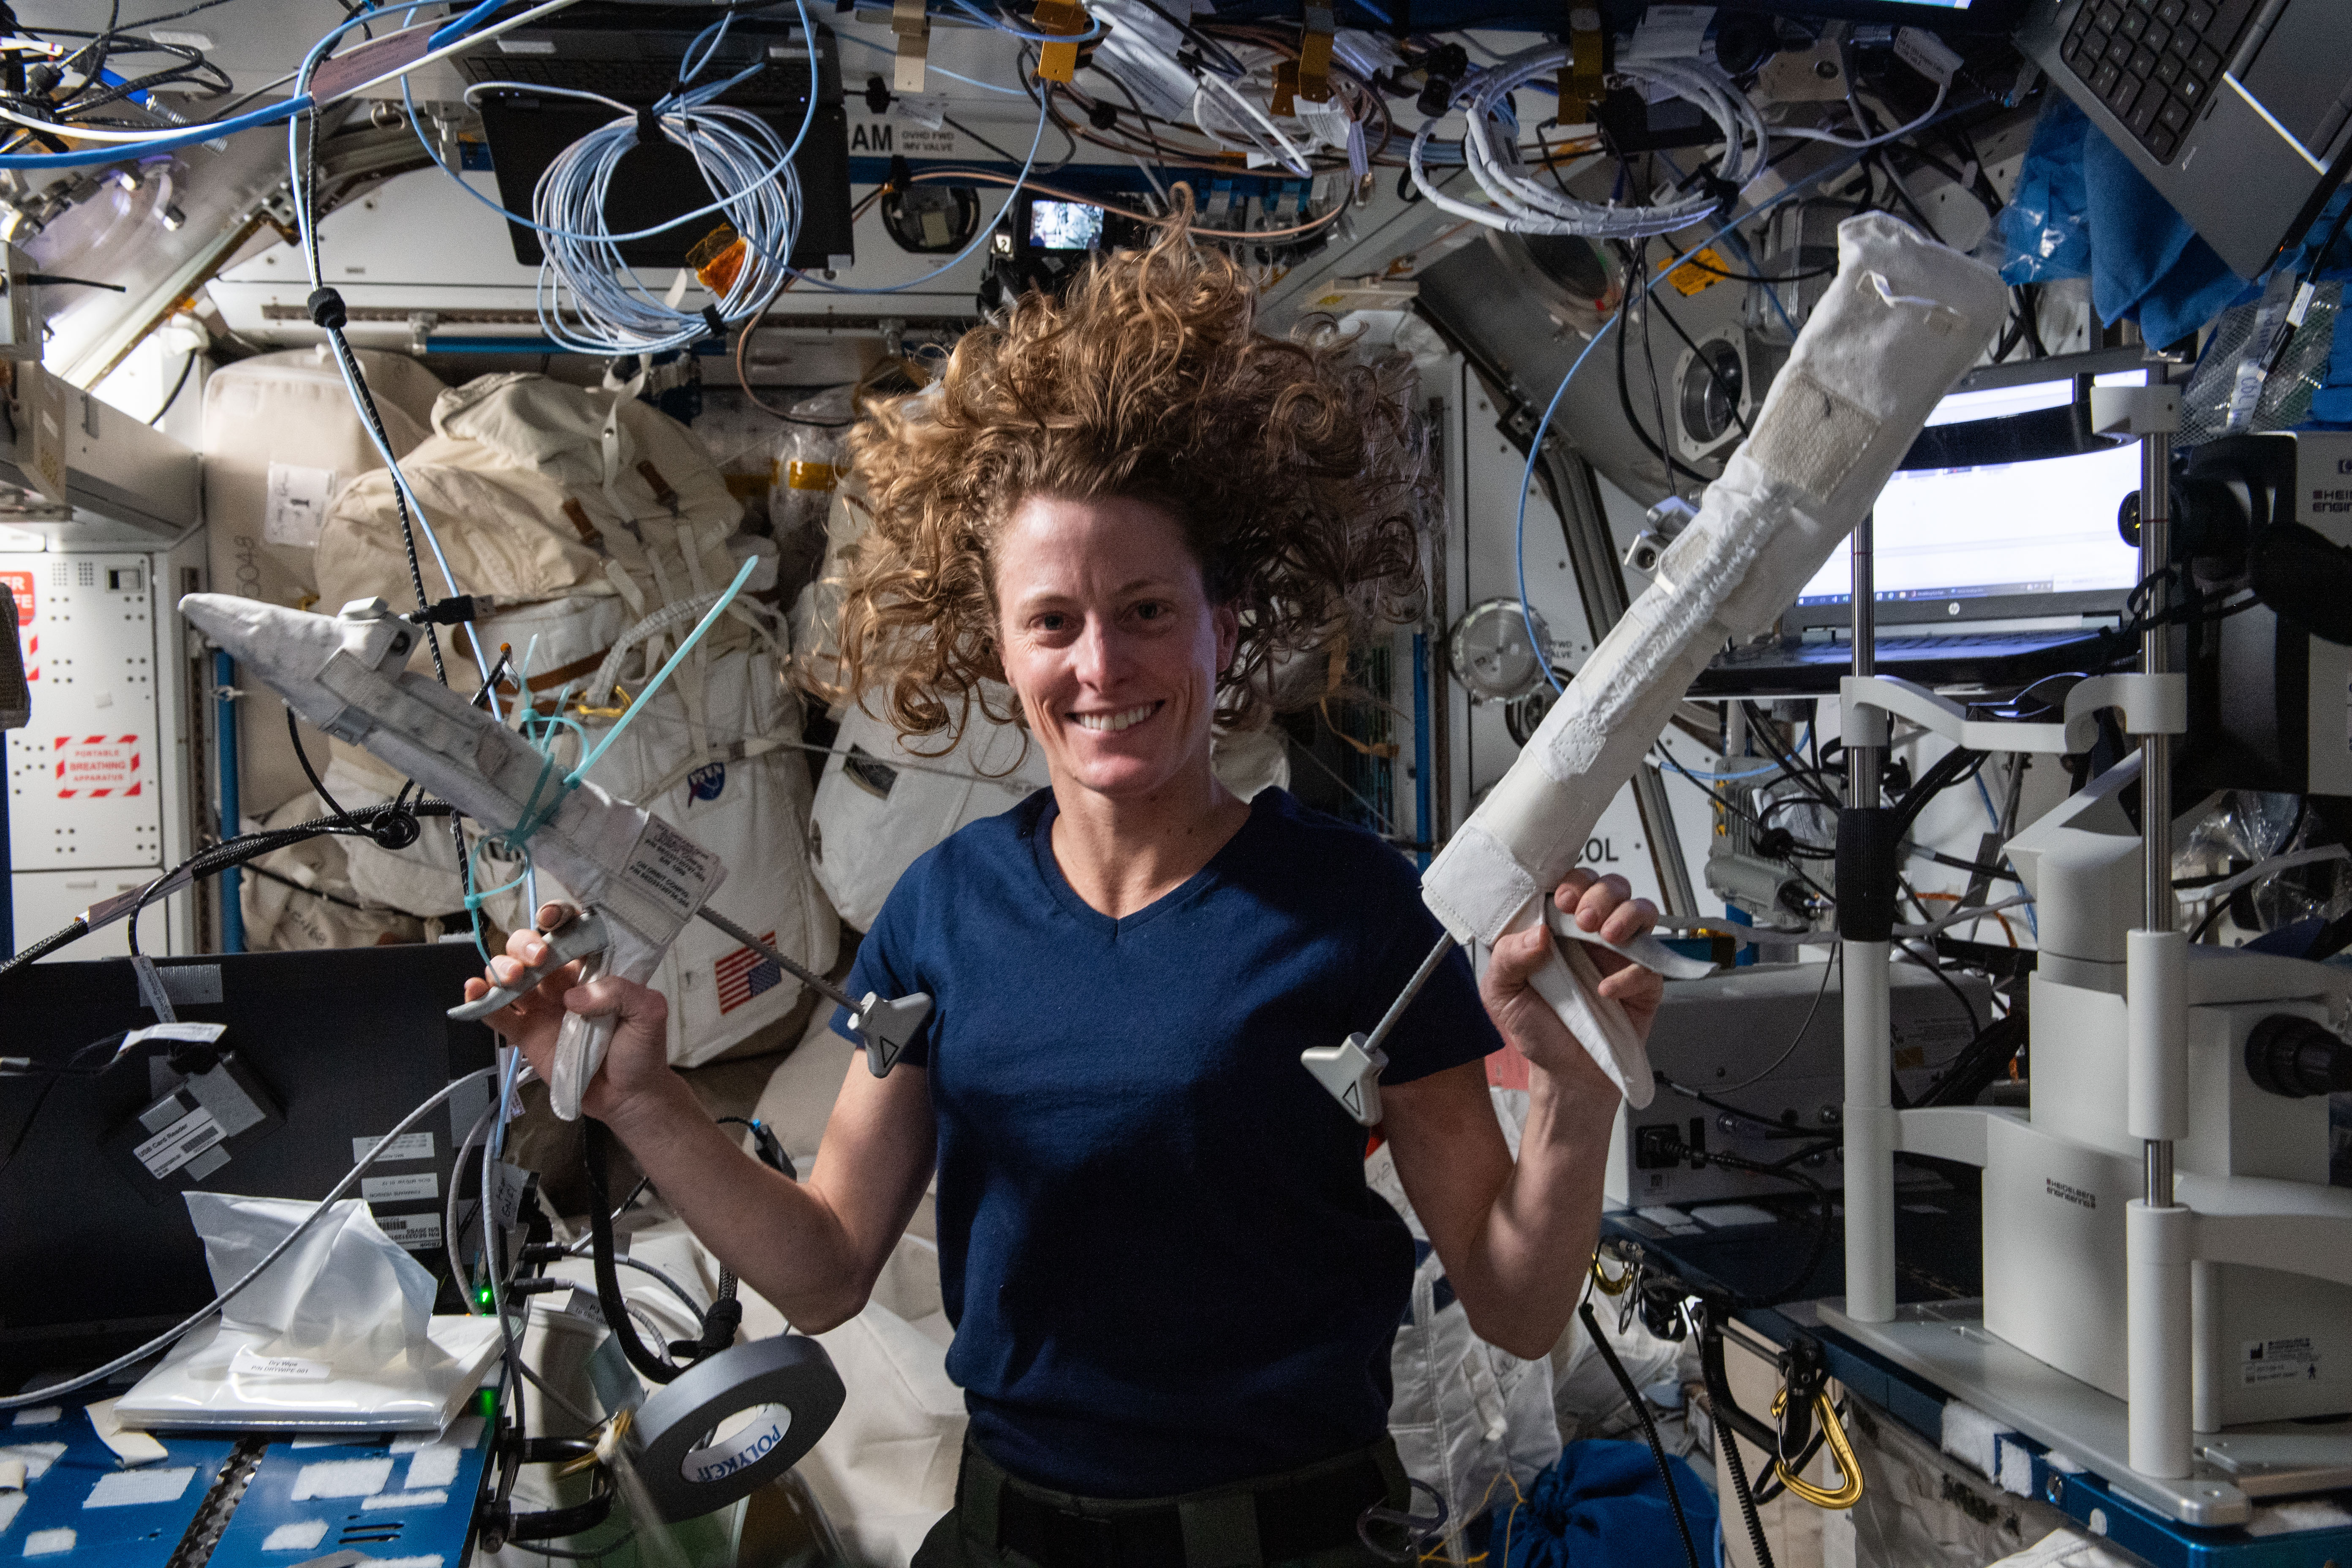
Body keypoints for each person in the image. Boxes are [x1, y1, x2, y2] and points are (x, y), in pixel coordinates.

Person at [465, 200, 1663, 1567]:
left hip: (1299, 1543)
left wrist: (1571, 1093)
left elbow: (1513, 1308)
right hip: (1012, 1541)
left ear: (1225, 624)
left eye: (1148, 611)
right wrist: (640, 1099)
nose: (1102, 668)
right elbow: (821, 1269)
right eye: (1054, 622)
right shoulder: (941, 913)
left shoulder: (1359, 912)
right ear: (1000, 644)